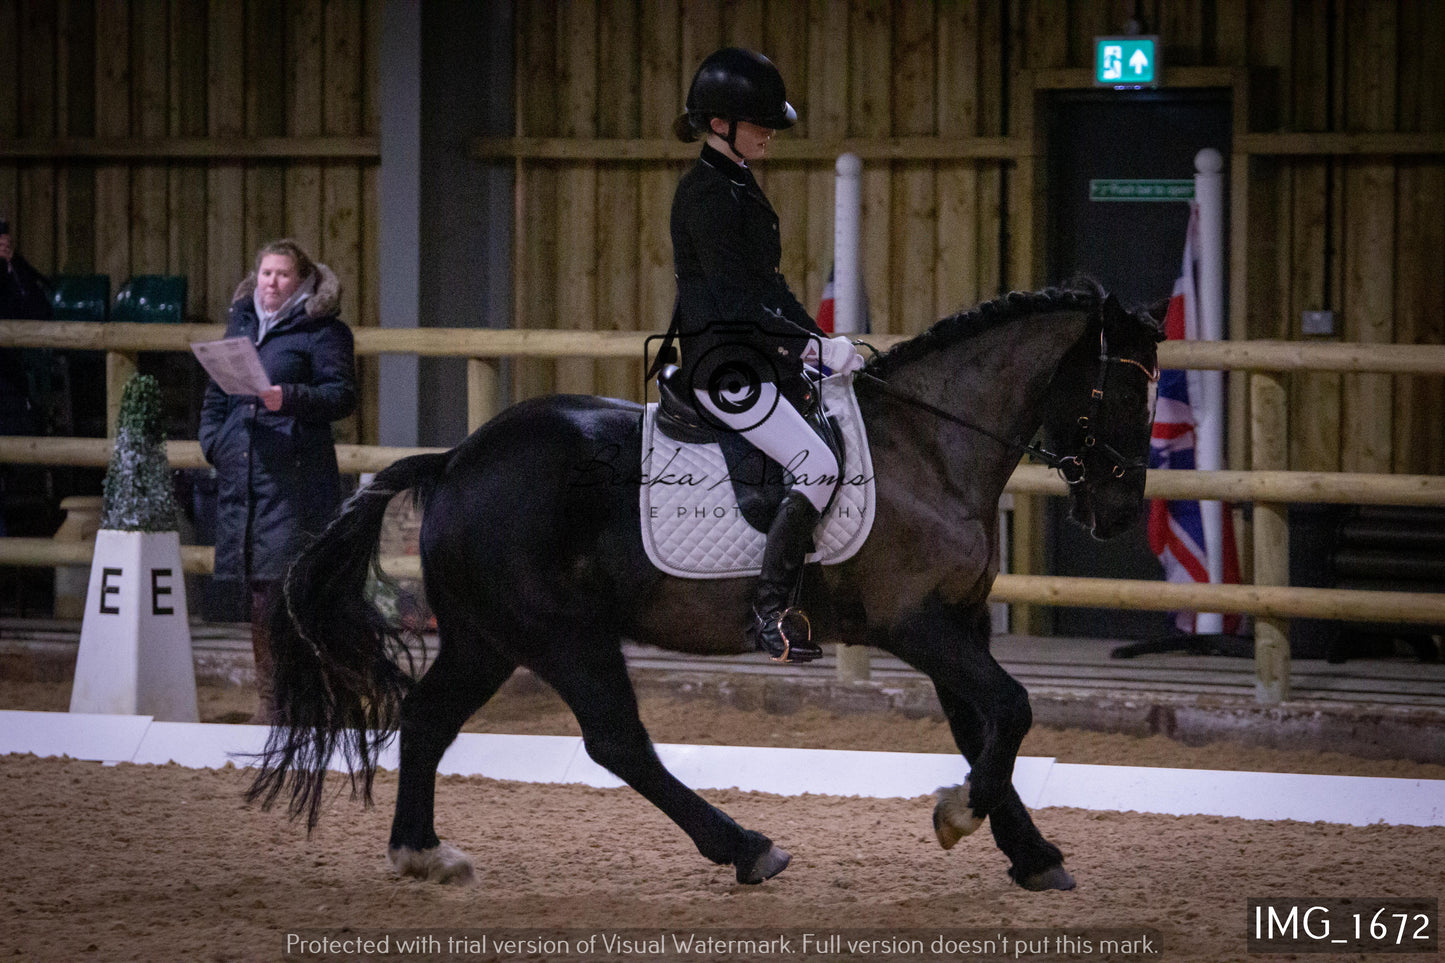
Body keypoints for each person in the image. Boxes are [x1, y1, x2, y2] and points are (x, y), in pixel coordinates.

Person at [668, 48, 865, 665]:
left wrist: (820, 340)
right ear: (721, 124)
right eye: (760, 124)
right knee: (818, 465)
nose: (770, 135)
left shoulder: (736, 186)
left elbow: (769, 288)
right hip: (724, 365)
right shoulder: (706, 195)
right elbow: (734, 303)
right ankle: (769, 610)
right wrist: (807, 345)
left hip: (756, 354)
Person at [199, 239, 356, 723]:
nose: (272, 282)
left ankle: (302, 699)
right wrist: (214, 441)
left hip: (294, 479)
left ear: (303, 280)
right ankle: (272, 701)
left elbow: (341, 395)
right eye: (266, 273)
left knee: (285, 591)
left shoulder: (323, 331)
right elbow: (215, 395)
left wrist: (286, 396)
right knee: (257, 590)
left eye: (283, 275)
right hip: (245, 473)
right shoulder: (242, 324)